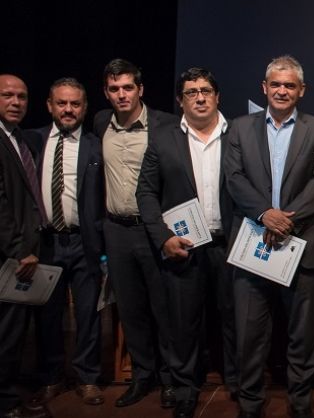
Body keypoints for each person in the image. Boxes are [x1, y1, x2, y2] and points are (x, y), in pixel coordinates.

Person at [224, 55, 314, 418]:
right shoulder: (238, 128)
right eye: (276, 84)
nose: (282, 90)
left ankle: (301, 403)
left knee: (302, 336)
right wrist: (265, 215)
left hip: (302, 245)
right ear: (264, 87)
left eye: (290, 85)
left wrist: (287, 220)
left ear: (301, 90)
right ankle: (251, 403)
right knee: (250, 334)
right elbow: (234, 178)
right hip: (253, 242)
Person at [136, 67, 237, 418]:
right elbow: (146, 193)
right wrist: (163, 238)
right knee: (183, 323)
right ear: (180, 100)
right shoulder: (163, 138)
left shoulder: (238, 133)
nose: (200, 96)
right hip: (184, 247)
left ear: (217, 96)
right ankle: (185, 389)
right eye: (191, 91)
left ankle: (237, 384)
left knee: (233, 318)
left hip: (230, 246)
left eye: (206, 90)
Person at [93, 58, 179, 408]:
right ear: (106, 92)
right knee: (131, 310)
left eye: (128, 87)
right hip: (117, 230)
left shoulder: (165, 124)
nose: (121, 94)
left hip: (153, 230)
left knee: (164, 308)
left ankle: (173, 379)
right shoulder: (100, 122)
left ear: (140, 89)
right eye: (114, 89)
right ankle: (143, 377)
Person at [28, 78, 105, 407]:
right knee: (48, 314)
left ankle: (88, 378)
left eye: (75, 104)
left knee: (88, 313)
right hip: (45, 242)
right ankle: (51, 376)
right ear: (50, 105)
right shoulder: (32, 142)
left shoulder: (95, 146)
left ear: (84, 108)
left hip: (83, 241)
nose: (69, 109)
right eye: (62, 103)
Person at [0, 74, 50, 418]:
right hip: (11, 255)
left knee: (19, 331)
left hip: (29, 249)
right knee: (6, 332)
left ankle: (13, 391)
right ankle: (5, 400)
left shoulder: (19, 138)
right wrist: (19, 248)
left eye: (21, 96)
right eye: (7, 96)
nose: (16, 102)